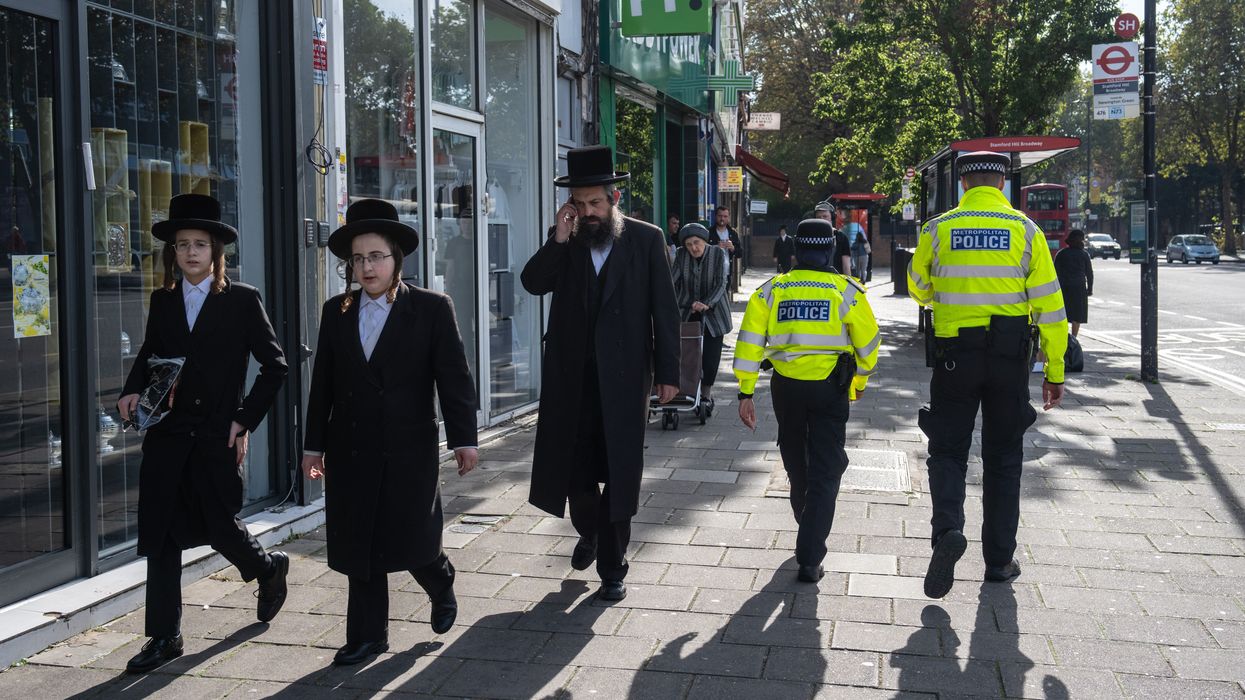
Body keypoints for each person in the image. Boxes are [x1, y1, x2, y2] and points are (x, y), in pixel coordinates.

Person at [301, 198, 479, 666]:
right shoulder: (335, 311)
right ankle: (367, 635)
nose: (366, 266)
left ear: (396, 258)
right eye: (358, 259)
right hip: (352, 447)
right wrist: (313, 445)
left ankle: (439, 581)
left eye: (375, 256)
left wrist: (464, 438)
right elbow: (323, 384)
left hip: (408, 447)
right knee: (359, 542)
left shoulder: (432, 308)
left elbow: (454, 379)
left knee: (414, 538)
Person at [116, 193, 289, 673]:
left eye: (199, 244)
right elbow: (151, 354)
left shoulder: (241, 300)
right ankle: (164, 636)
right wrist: (132, 391)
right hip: (168, 434)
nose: (190, 253)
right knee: (161, 534)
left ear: (216, 251)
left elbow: (276, 367)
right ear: (172, 252)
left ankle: (268, 569)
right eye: (181, 244)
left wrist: (243, 419)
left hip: (216, 434)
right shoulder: (163, 300)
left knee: (220, 525)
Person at [521, 145, 680, 602]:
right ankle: (588, 530)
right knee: (575, 474)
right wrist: (558, 235)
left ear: (614, 199)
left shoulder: (646, 240)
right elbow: (533, 282)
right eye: (580, 204)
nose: (588, 212)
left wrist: (669, 372)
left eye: (595, 203)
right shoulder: (566, 242)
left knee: (620, 472)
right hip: (571, 381)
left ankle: (613, 567)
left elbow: (665, 312)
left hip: (627, 380)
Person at [906, 151, 1068, 599]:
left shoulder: (938, 229)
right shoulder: (1026, 231)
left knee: (947, 451)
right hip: (1009, 357)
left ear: (962, 185)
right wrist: (1053, 370)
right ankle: (998, 561)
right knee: (1003, 459)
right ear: (1002, 185)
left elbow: (919, 287)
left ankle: (947, 534)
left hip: (955, 355)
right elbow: (1051, 308)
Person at [734, 218, 879, 583]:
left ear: (796, 250)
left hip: (786, 388)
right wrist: (858, 381)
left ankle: (807, 523)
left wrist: (745, 391)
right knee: (827, 469)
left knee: (797, 464)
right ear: (830, 248)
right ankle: (810, 554)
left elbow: (749, 343)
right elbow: (869, 345)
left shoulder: (771, 291)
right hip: (830, 389)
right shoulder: (848, 291)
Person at [671, 223, 732, 411]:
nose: (693, 248)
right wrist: (684, 301)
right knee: (687, 353)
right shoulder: (681, 255)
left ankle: (706, 394)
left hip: (714, 314)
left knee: (710, 357)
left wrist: (707, 303)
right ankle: (686, 390)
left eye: (696, 243)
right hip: (688, 310)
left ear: (705, 241)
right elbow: (673, 281)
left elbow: (721, 283)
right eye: (689, 244)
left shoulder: (718, 254)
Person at [1054, 228, 1093, 337]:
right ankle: (1074, 338)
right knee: (1077, 315)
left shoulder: (1061, 254)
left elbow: (1054, 272)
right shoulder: (1084, 255)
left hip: (1063, 287)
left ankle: (1064, 337)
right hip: (1079, 288)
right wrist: (1090, 289)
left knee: (1064, 314)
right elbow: (1089, 273)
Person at [813, 200, 853, 275]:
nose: (821, 219)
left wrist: (848, 284)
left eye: (825, 216)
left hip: (835, 281)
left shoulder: (841, 238)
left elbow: (846, 266)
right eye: (818, 217)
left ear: (832, 217)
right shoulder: (811, 237)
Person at [712, 204, 745, 287]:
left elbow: (740, 254)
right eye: (720, 216)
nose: (722, 218)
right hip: (712, 273)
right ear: (716, 216)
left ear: (728, 218)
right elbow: (703, 251)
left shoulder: (733, 233)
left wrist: (733, 248)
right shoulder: (709, 232)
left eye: (725, 216)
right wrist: (716, 247)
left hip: (727, 273)